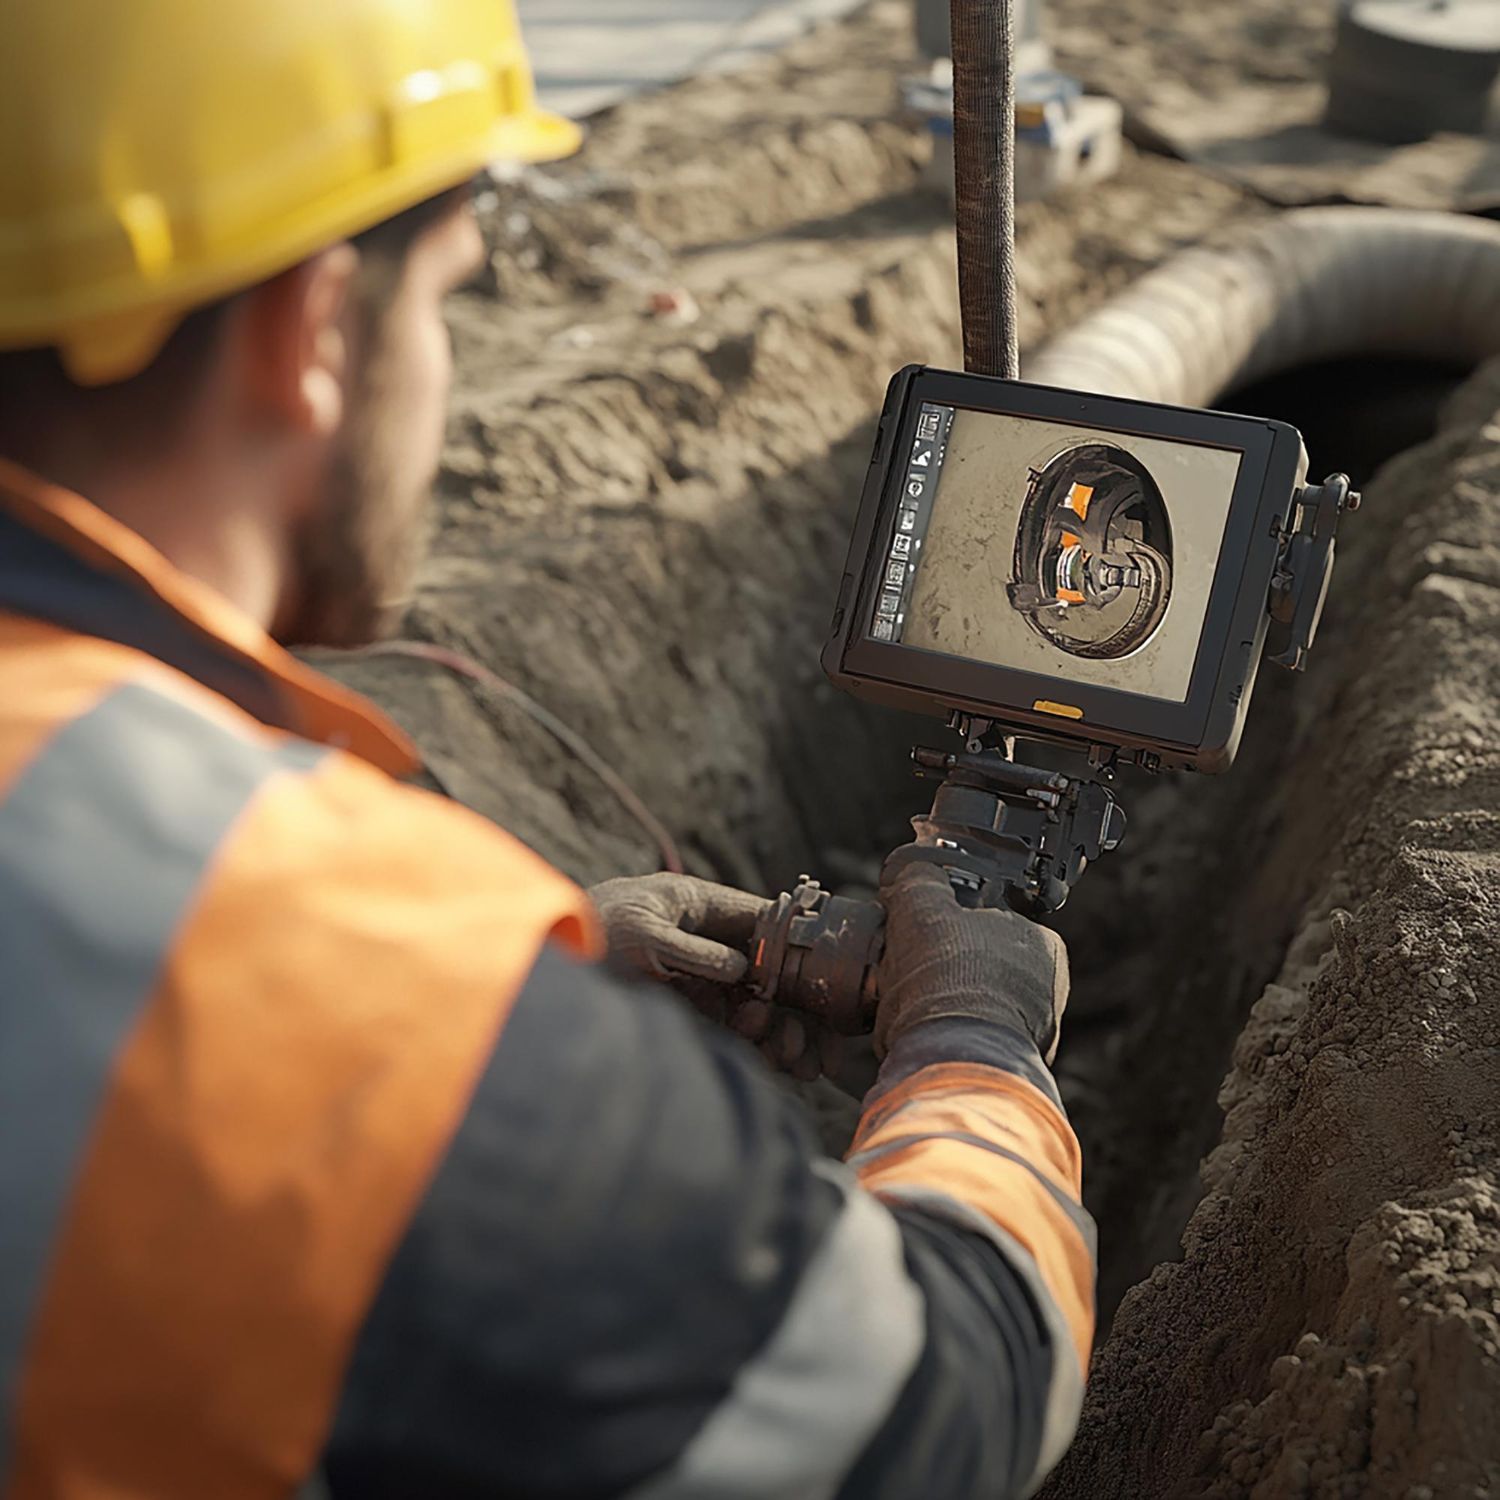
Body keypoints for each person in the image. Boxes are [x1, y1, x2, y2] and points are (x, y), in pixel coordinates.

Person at [0, 2, 1096, 1496]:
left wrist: (551, 981)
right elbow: (941, 1406)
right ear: (310, 332)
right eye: (445, 298)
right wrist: (972, 1043)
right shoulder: (299, 967)